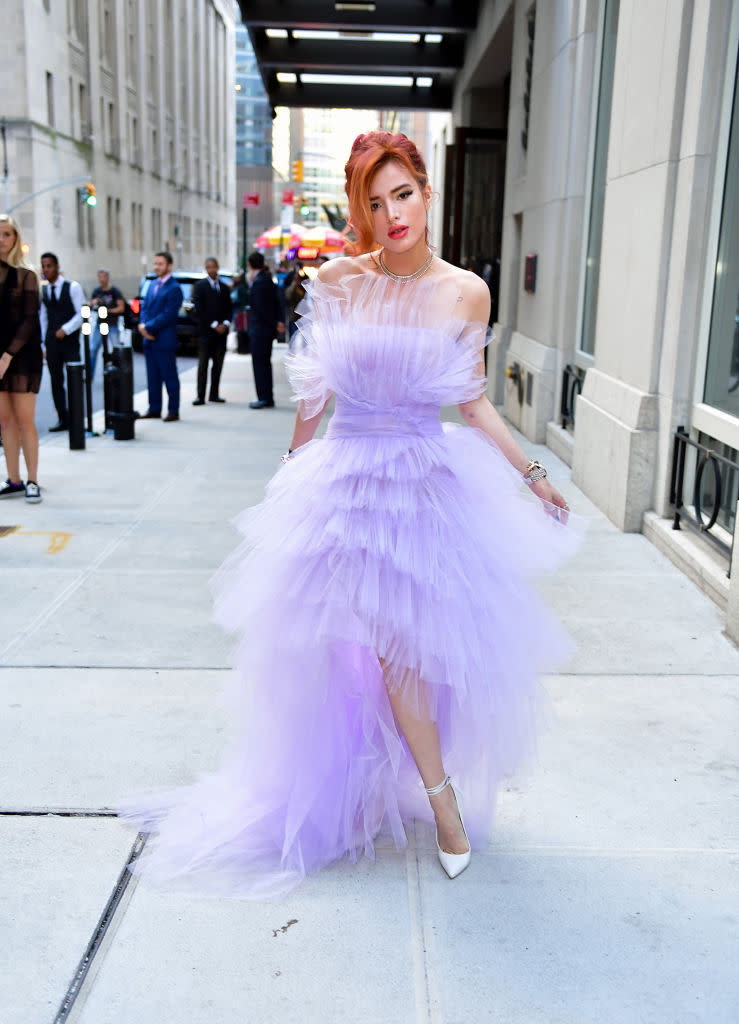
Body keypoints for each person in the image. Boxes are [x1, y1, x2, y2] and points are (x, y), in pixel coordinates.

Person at [122, 132, 578, 898]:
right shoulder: (336, 280)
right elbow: (314, 391)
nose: (391, 213)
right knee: (333, 656)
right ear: (359, 210)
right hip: (342, 479)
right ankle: (355, 786)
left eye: (401, 194)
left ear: (426, 193)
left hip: (420, 488)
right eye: (373, 200)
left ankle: (442, 806)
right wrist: (291, 471)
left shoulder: (465, 291)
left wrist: (532, 474)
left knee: (402, 658)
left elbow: (469, 401)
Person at [0, 215, 43, 503]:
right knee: (5, 423)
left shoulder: (27, 275)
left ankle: (32, 481)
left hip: (22, 354)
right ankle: (13, 480)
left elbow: (29, 320)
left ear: (15, 238)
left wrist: (7, 355)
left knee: (25, 420)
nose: (2, 239)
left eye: (7, 234)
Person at [39, 252, 85, 432]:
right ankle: (62, 418)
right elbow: (42, 317)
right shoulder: (44, 291)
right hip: (52, 343)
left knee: (74, 378)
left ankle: (77, 417)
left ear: (57, 266)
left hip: (70, 342)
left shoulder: (72, 287)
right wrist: (43, 343)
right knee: (56, 381)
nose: (46, 269)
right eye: (43, 266)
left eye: (49, 266)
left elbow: (82, 313)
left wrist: (66, 329)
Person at [137, 251, 183, 422]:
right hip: (148, 340)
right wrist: (143, 327)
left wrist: (147, 327)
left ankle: (173, 410)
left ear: (169, 266)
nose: (157, 267)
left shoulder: (175, 288)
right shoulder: (152, 284)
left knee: (169, 377)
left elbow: (168, 315)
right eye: (155, 263)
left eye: (160, 264)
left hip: (164, 340)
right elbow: (145, 308)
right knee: (153, 378)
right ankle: (154, 408)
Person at [191, 258, 232, 405]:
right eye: (208, 267)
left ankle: (214, 394)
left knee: (218, 364)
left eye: (214, 267)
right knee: (203, 365)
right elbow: (199, 309)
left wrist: (225, 324)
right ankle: (200, 395)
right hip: (206, 333)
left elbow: (229, 308)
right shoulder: (200, 286)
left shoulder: (224, 287)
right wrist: (214, 324)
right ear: (206, 268)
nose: (212, 270)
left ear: (218, 267)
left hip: (221, 334)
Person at [246, 251, 283, 409]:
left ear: (250, 264)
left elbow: (261, 308)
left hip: (260, 330)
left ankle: (264, 397)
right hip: (265, 329)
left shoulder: (260, 281)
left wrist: (274, 323)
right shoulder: (266, 279)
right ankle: (267, 397)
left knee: (260, 364)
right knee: (264, 364)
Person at [89, 268, 125, 380]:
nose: (101, 279)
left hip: (112, 323)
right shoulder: (97, 291)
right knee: (93, 349)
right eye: (99, 276)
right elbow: (89, 305)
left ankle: (118, 374)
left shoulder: (115, 291)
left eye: (103, 276)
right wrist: (93, 303)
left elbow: (121, 308)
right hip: (100, 323)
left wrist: (108, 311)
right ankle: (90, 375)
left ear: (107, 277)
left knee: (116, 349)